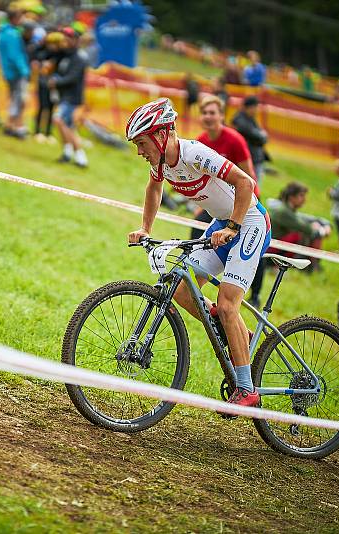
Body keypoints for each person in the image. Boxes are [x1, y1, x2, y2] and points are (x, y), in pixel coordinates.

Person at [126, 98, 271, 409]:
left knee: (228, 302)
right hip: (221, 224)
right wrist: (145, 228)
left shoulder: (194, 154)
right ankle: (233, 329)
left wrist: (233, 225)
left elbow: (246, 183)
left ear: (161, 135)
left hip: (250, 223)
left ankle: (247, 389)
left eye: (141, 143)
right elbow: (154, 189)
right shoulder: (160, 162)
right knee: (180, 288)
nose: (139, 151)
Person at [195, 95, 266, 307]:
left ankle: (255, 292)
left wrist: (245, 209)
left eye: (212, 113)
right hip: (220, 204)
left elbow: (249, 176)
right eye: (204, 113)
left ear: (221, 116)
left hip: (245, 200)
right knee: (195, 235)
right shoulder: (201, 142)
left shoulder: (234, 139)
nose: (208, 117)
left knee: (253, 249)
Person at [266, 182, 330, 272]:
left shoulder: (285, 208)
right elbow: (308, 230)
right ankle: (311, 267)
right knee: (299, 235)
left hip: (273, 245)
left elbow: (308, 219)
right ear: (292, 197)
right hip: (269, 249)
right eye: (301, 196)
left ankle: (310, 266)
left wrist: (324, 224)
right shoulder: (284, 211)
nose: (304, 199)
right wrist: (322, 231)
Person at [50, 27, 88, 168]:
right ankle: (70, 153)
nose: (65, 41)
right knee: (65, 124)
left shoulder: (80, 57)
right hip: (63, 96)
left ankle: (79, 155)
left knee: (60, 120)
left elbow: (73, 77)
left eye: (68, 39)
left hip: (72, 97)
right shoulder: (64, 54)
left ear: (76, 40)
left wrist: (56, 81)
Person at [0, 8, 30, 138]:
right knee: (19, 100)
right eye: (21, 17)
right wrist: (24, 71)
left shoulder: (4, 32)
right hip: (16, 73)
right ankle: (14, 126)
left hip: (9, 72)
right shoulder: (11, 34)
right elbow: (14, 56)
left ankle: (11, 125)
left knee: (15, 99)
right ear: (14, 18)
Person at [232, 96, 268, 183]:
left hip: (255, 158)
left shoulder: (250, 119)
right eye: (255, 107)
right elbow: (258, 136)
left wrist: (262, 136)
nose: (256, 110)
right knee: (250, 185)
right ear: (249, 107)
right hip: (250, 159)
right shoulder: (240, 120)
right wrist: (262, 136)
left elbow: (261, 136)